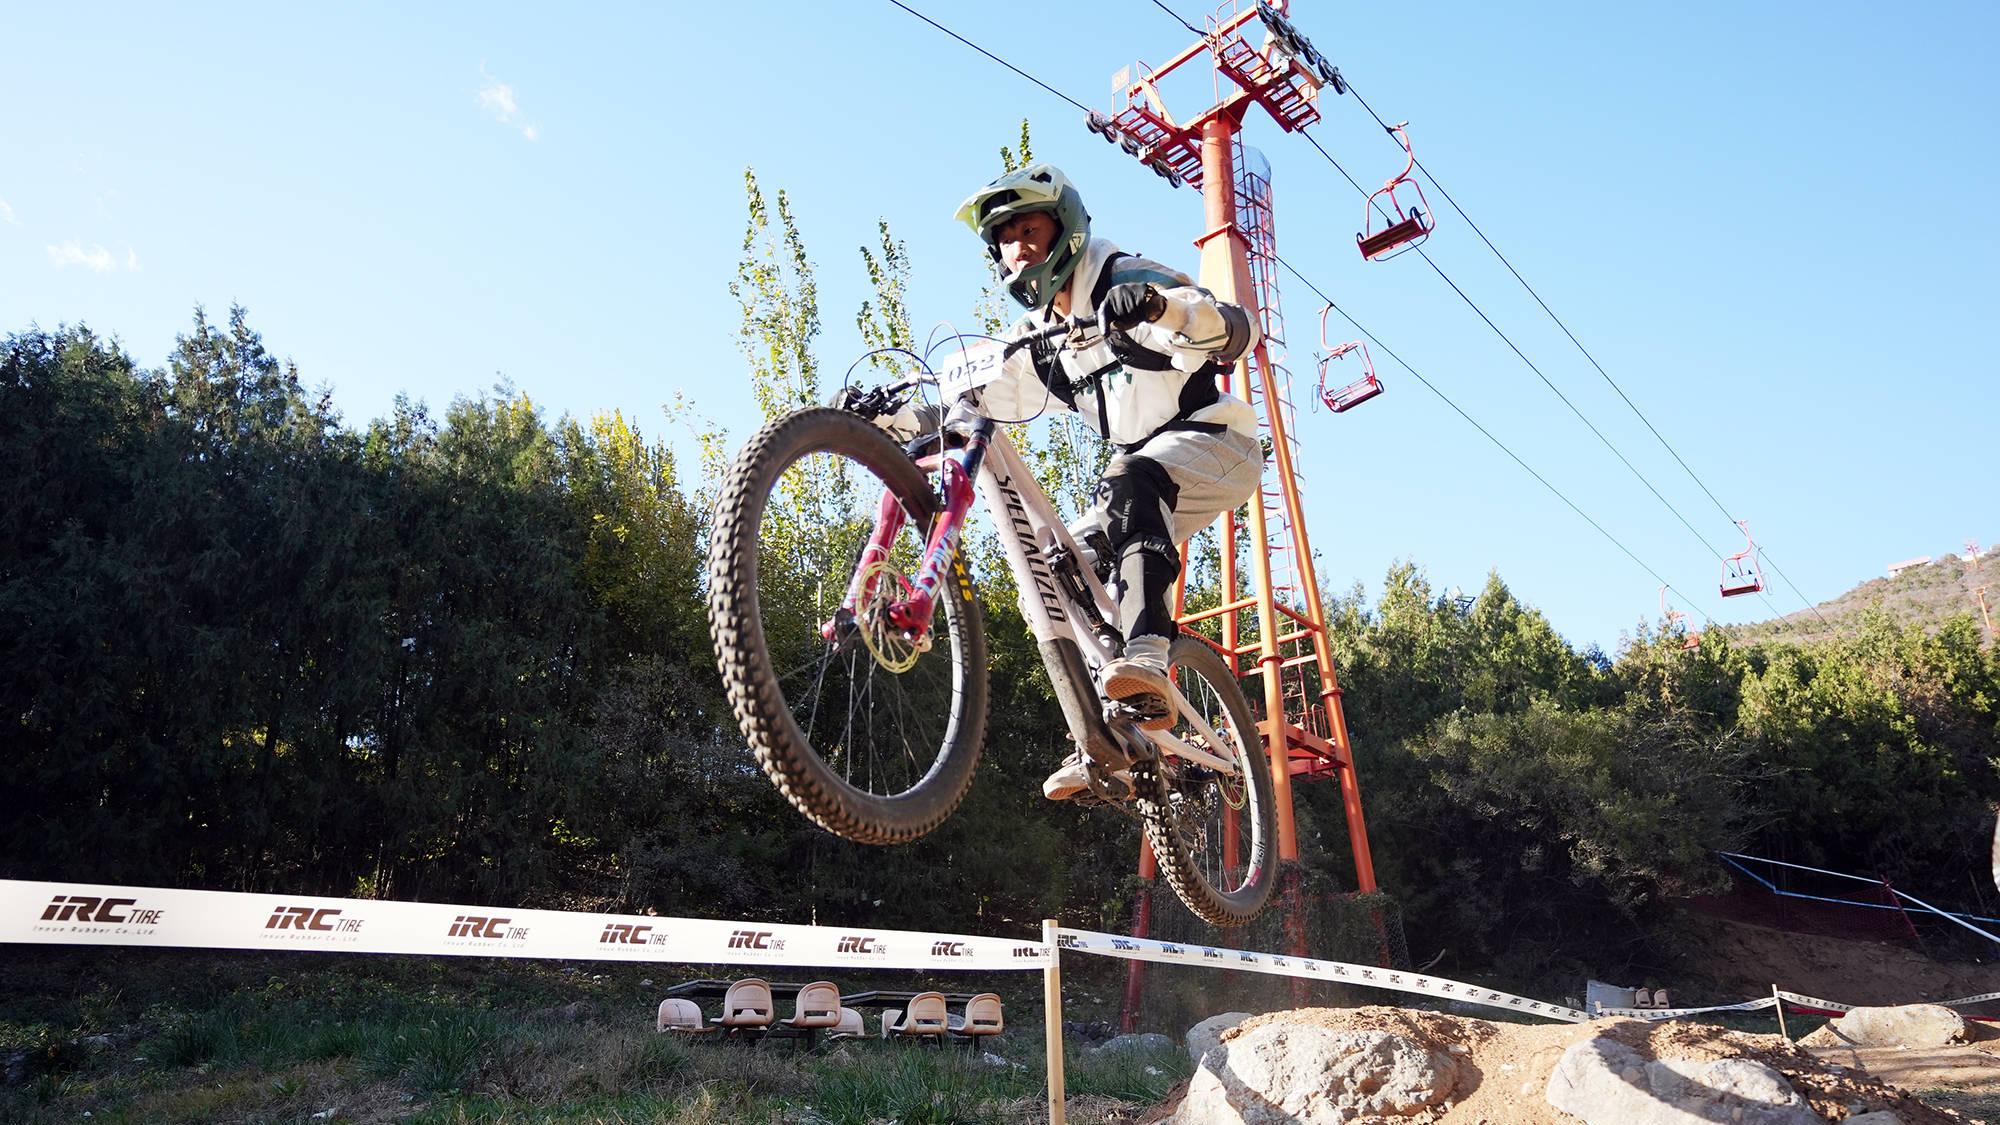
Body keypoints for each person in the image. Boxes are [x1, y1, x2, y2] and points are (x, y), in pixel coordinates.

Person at [948, 164, 1264, 801]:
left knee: (1127, 480)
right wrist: (883, 414)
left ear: (1063, 227)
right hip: (1143, 480)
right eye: (1005, 241)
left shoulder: (1123, 276)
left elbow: (1237, 329)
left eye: (1029, 230)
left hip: (1216, 443)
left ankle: (1147, 657)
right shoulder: (1039, 339)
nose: (1019, 250)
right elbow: (973, 398)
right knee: (1064, 563)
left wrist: (1159, 306)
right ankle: (1113, 734)